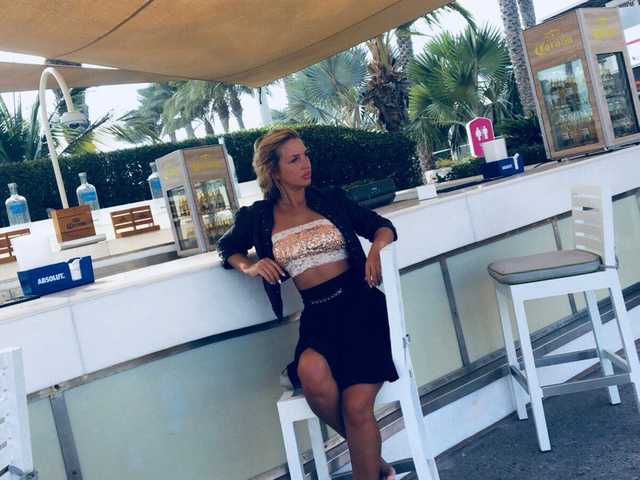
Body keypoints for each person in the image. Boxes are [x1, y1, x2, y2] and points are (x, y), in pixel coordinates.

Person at [218, 128, 400, 480]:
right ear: (273, 171)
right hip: (318, 317)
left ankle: (370, 465)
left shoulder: (330, 199)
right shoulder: (258, 216)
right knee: (311, 374)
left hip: (362, 308)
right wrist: (251, 266)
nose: (306, 164)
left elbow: (382, 227)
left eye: (306, 155)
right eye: (295, 159)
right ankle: (374, 462)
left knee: (355, 407)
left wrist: (376, 250)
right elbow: (227, 248)